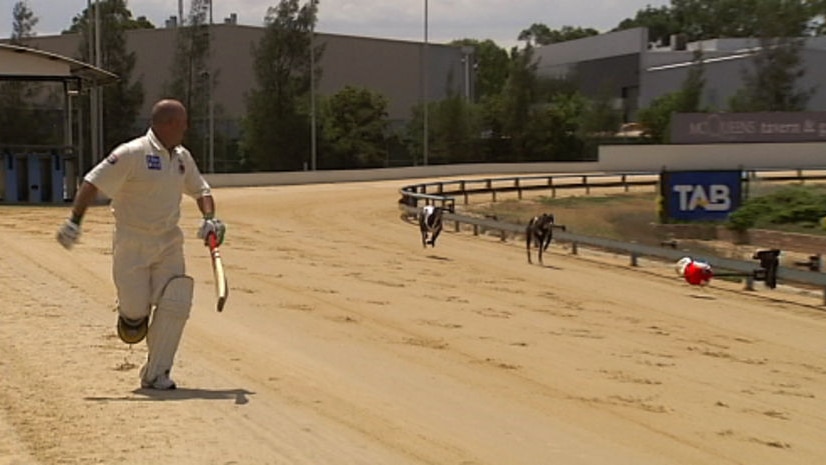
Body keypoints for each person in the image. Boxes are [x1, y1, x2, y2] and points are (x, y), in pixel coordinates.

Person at [56, 98, 226, 390]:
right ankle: (132, 318)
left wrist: (210, 218)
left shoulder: (183, 158)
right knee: (134, 321)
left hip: (168, 241)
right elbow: (92, 182)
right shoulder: (132, 153)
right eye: (182, 122)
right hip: (131, 243)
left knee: (177, 300)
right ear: (168, 124)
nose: (186, 128)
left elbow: (201, 190)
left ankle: (157, 372)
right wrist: (75, 221)